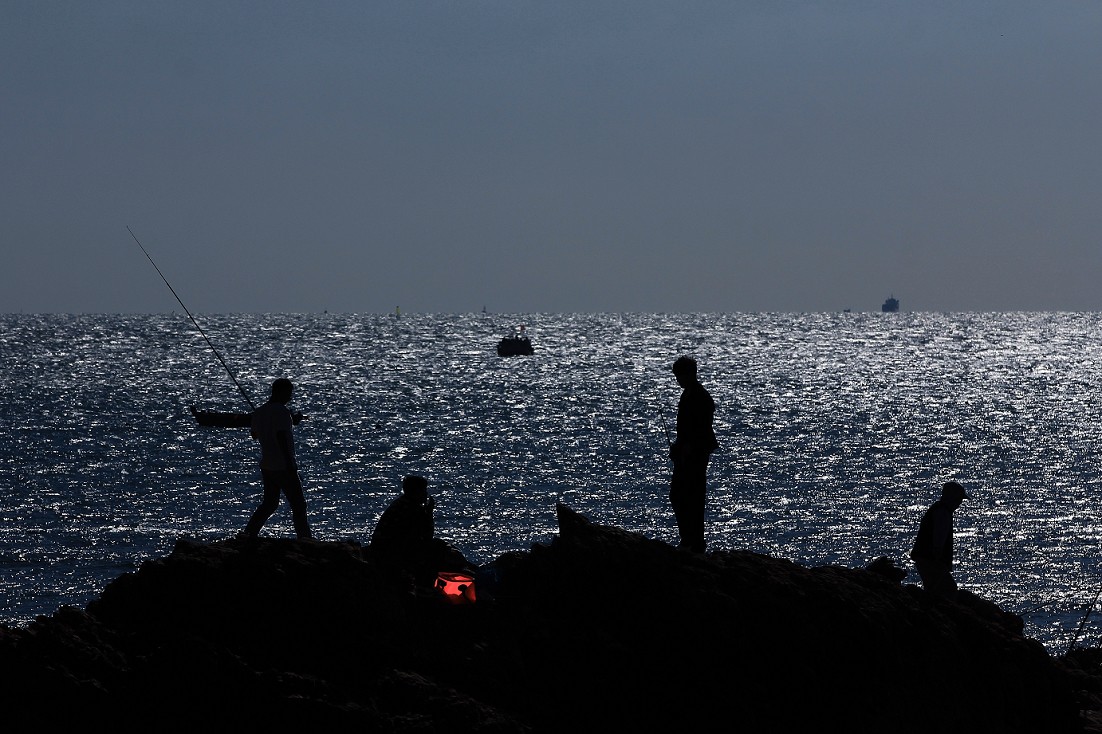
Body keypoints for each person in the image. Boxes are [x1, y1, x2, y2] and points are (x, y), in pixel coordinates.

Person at [240, 378, 312, 540]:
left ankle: (249, 533)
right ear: (281, 392)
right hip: (283, 466)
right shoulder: (283, 412)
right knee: (299, 505)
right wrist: (289, 463)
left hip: (267, 466)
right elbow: (281, 436)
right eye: (289, 393)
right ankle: (305, 539)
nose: (290, 397)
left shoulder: (259, 412)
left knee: (270, 504)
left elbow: (254, 435)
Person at [370, 475, 469, 586]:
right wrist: (429, 513)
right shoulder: (413, 509)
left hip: (384, 551)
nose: (426, 494)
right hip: (393, 554)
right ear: (416, 492)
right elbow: (426, 536)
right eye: (423, 490)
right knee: (439, 550)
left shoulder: (399, 504)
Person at [668, 356, 719, 553]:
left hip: (696, 455)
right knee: (681, 495)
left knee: (691, 497)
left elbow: (701, 429)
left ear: (691, 373)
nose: (678, 380)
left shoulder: (700, 397)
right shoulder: (688, 394)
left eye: (680, 376)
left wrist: (687, 448)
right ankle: (689, 539)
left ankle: (694, 542)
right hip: (686, 453)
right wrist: (678, 447)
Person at [910, 480, 970, 598]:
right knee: (948, 590)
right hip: (929, 559)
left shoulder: (937, 509)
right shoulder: (943, 513)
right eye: (959, 499)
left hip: (924, 558)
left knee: (934, 590)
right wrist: (938, 560)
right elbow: (939, 538)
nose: (959, 503)